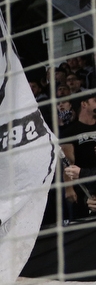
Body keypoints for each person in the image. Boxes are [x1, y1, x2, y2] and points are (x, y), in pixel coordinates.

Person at [61, 90, 96, 220]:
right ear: (84, 104)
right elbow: (67, 161)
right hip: (82, 185)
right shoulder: (71, 131)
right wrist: (69, 188)